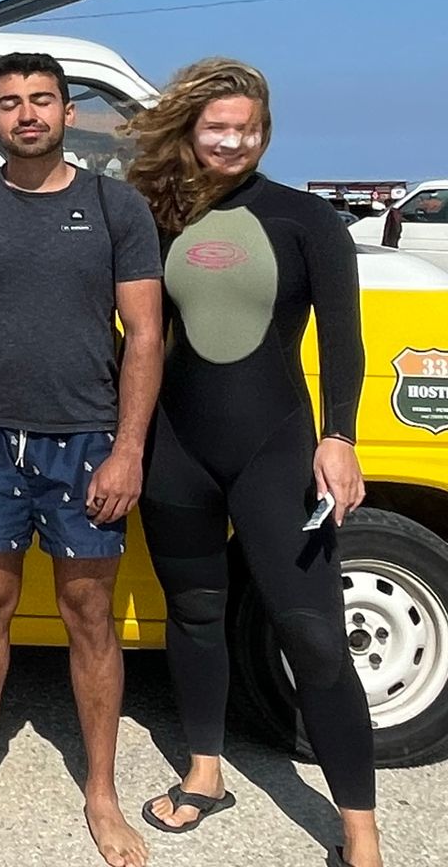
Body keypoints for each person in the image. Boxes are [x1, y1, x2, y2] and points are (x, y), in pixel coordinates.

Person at [123, 60, 382, 867]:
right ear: (191, 131)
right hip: (178, 452)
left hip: (276, 451)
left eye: (249, 128)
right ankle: (205, 773)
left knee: (312, 635)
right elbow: (144, 337)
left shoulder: (306, 219)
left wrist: (338, 438)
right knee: (196, 613)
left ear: (265, 131)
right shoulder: (158, 219)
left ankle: (361, 835)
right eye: (217, 127)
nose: (233, 141)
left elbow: (342, 337)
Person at [0, 52, 163, 867]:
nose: (27, 114)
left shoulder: (114, 206)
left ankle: (102, 792)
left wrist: (128, 451)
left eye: (41, 100)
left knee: (90, 615)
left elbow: (146, 337)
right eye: (11, 102)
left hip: (87, 441)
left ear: (64, 111)